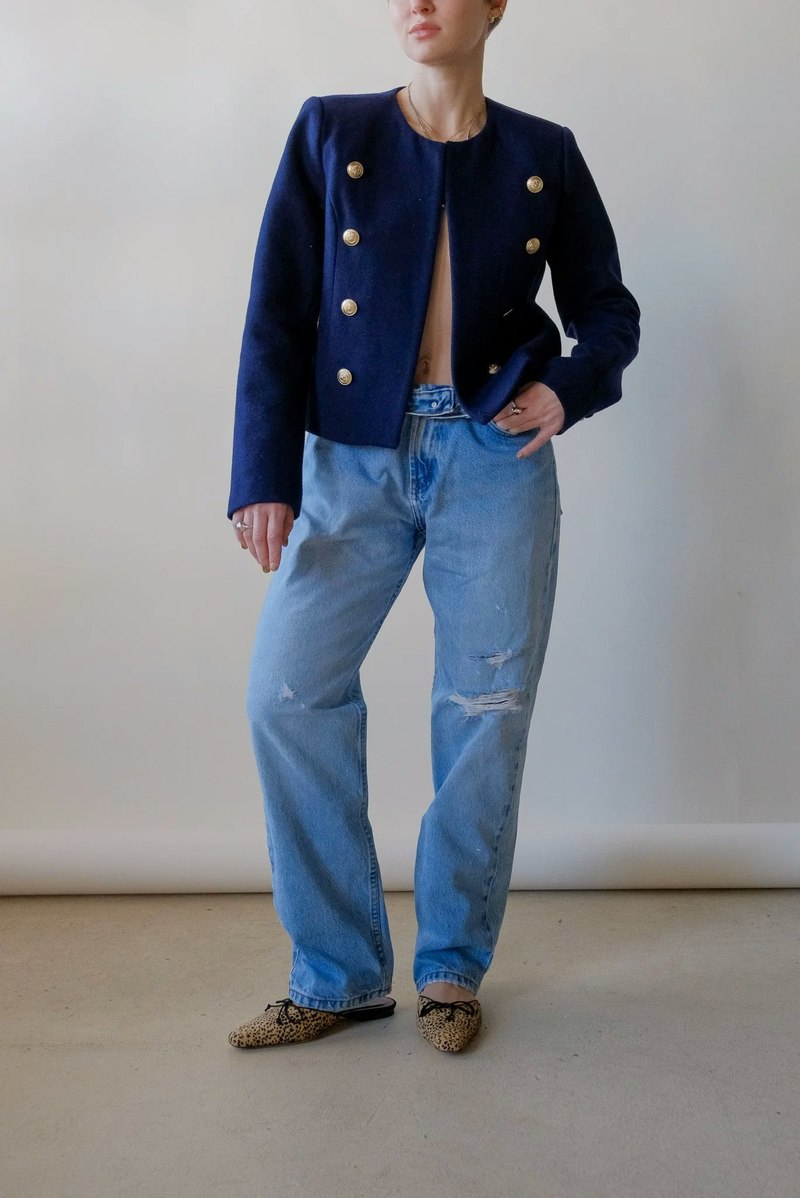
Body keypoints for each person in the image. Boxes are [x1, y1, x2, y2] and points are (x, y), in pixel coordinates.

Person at [226, 0, 641, 1053]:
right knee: (286, 692)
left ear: (494, 5)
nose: (417, 2)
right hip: (350, 455)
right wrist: (261, 473)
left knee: (483, 706)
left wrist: (565, 389)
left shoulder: (543, 152)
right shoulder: (333, 129)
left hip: (492, 454)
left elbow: (608, 309)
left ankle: (451, 969)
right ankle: (338, 975)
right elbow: (276, 309)